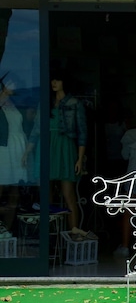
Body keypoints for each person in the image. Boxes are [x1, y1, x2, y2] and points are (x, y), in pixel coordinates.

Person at [49, 68, 87, 235]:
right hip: (49, 146)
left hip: (65, 147)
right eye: (52, 80)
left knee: (68, 194)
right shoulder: (48, 102)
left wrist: (79, 159)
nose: (54, 83)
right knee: (47, 195)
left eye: (58, 80)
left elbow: (82, 132)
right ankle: (49, 238)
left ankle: (74, 233)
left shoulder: (74, 104)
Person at [0, 73, 29, 231]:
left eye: (14, 83)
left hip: (18, 147)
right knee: (2, 184)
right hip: (4, 148)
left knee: (14, 190)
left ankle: (7, 229)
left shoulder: (16, 102)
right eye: (9, 83)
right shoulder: (1, 100)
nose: (13, 86)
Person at [115, 112, 136, 258]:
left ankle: (125, 246)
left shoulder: (130, 134)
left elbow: (125, 155)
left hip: (133, 176)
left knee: (129, 211)